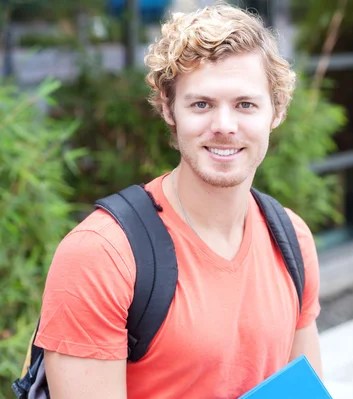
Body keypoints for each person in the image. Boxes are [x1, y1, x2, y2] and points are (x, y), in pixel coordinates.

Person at [35, 3, 323, 398]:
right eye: (201, 104)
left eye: (245, 104)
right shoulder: (101, 256)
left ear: (277, 111)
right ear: (169, 109)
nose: (224, 126)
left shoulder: (292, 239)